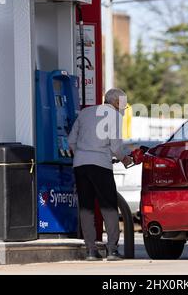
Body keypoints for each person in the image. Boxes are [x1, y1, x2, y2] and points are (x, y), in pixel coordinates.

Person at [68, 88, 133, 261]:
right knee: (109, 206)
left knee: (86, 207)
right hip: (101, 165)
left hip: (80, 165)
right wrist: (125, 159)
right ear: (117, 102)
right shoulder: (115, 116)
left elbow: (71, 140)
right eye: (123, 105)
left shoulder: (85, 113)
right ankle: (112, 250)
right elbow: (116, 147)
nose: (123, 109)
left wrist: (82, 154)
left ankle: (91, 251)